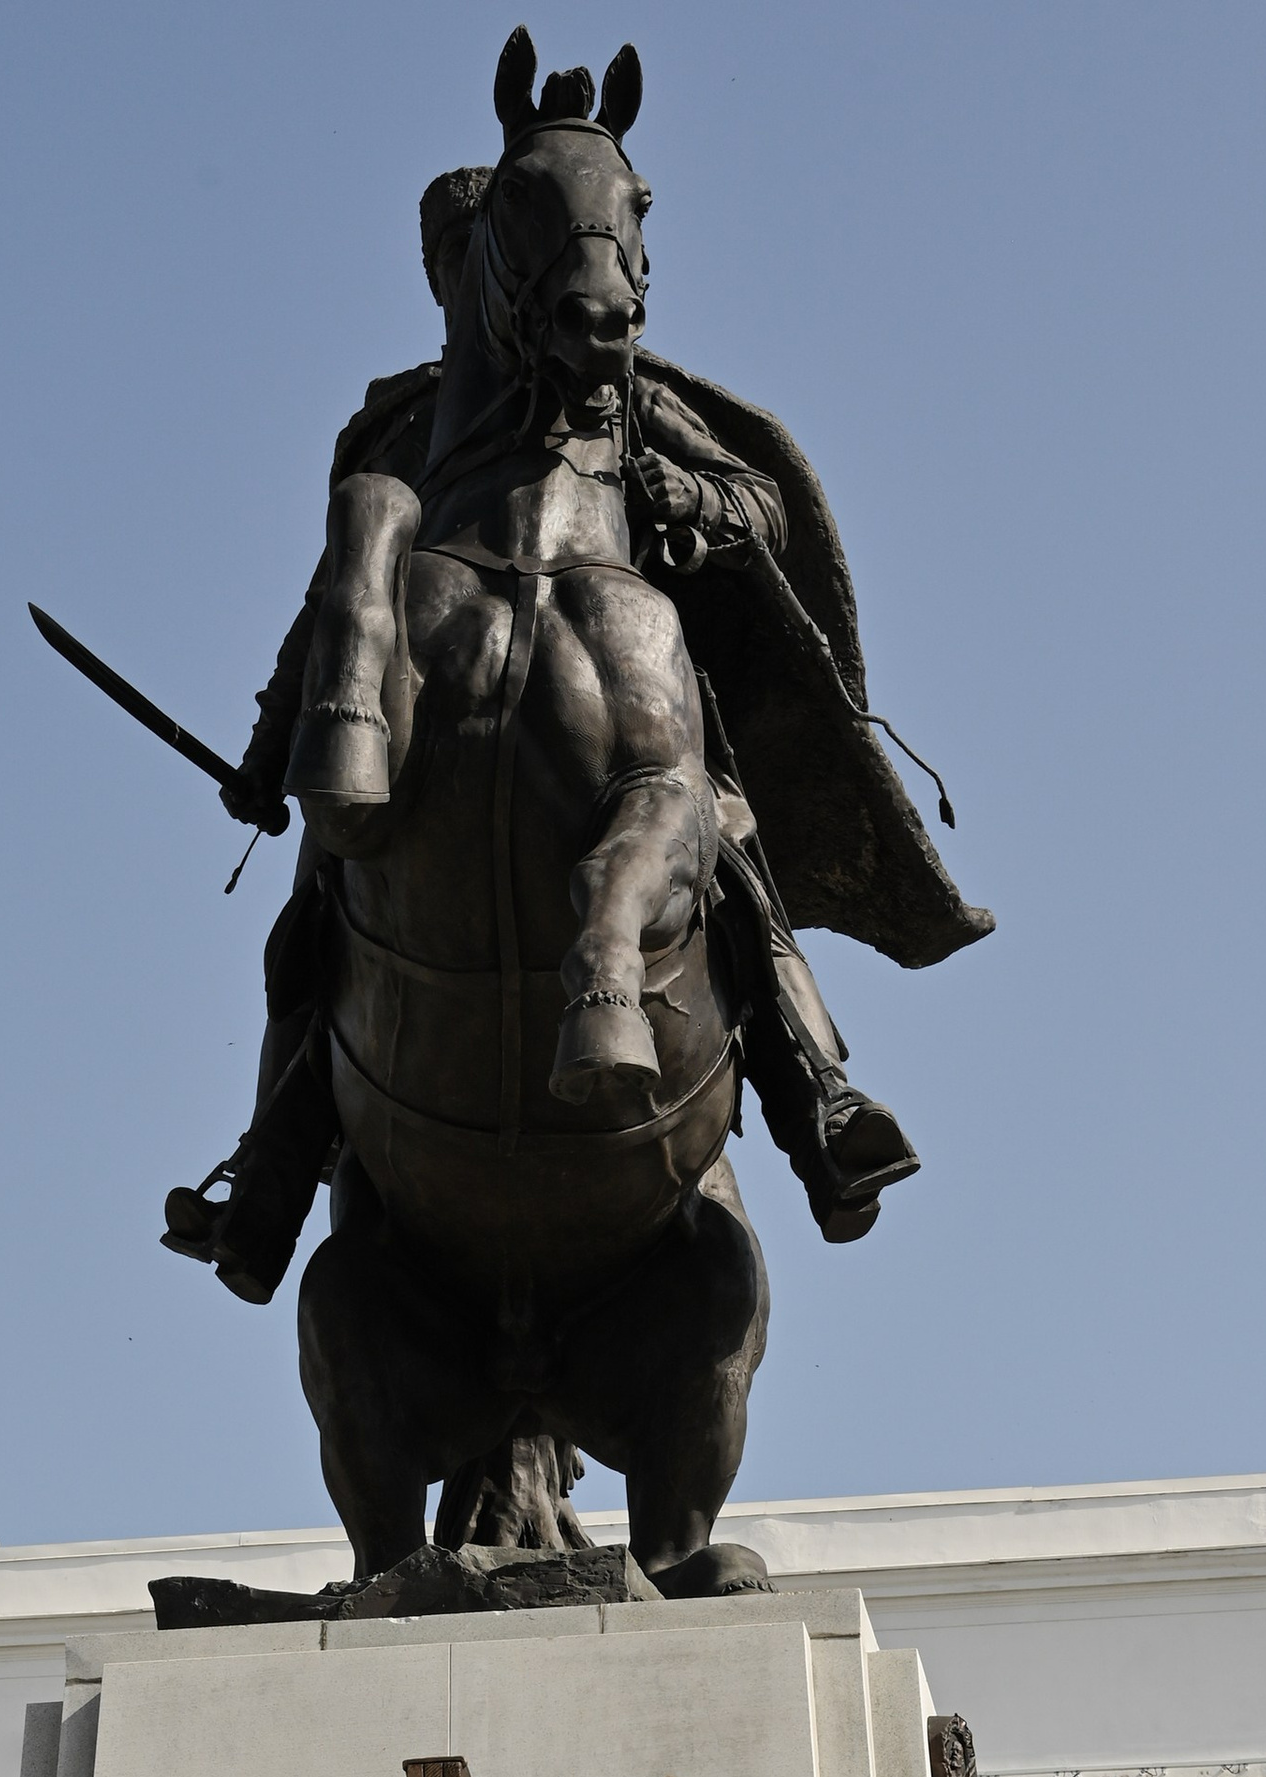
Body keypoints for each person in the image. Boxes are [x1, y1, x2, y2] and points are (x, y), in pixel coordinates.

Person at [161, 165, 924, 1306]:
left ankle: (817, 1096)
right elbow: (331, 598)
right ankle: (269, 1170)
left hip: (632, 707)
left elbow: (755, 500)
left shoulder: (619, 402)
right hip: (423, 712)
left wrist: (691, 499)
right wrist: (278, 742)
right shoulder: (406, 418)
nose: (452, 284)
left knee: (725, 855)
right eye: (442, 265)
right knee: (313, 914)